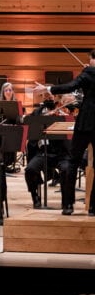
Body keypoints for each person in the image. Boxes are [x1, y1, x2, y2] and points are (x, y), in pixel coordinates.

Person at [33, 48, 95, 216]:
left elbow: (71, 86)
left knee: (72, 162)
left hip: (85, 124)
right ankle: (93, 207)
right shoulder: (89, 72)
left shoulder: (88, 72)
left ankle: (68, 205)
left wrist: (48, 88)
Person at [24, 92, 72, 210]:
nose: (48, 98)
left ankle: (66, 202)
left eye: (51, 96)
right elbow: (27, 123)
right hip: (43, 152)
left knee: (66, 170)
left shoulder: (63, 113)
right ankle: (35, 196)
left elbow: (70, 131)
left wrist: (60, 118)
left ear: (56, 98)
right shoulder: (37, 113)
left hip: (61, 153)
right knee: (30, 169)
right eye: (45, 96)